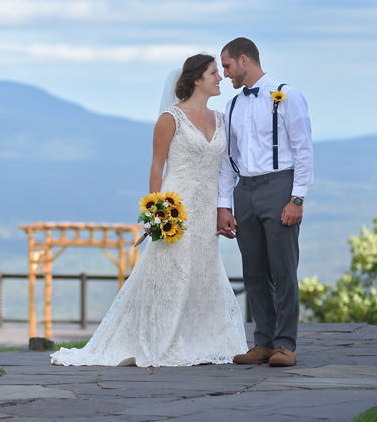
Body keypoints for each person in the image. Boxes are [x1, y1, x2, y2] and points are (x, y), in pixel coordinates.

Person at [50, 54, 247, 367]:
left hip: (207, 208)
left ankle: (202, 339)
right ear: (197, 79)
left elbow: (225, 168)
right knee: (172, 273)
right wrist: (158, 214)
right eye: (213, 73)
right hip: (177, 207)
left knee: (203, 271)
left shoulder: (221, 119)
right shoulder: (171, 119)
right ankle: (161, 338)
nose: (219, 78)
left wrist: (225, 207)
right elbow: (157, 167)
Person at [217, 37, 313, 368]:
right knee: (254, 270)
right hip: (245, 190)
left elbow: (303, 149)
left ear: (245, 60)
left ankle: (285, 344)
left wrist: (297, 197)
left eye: (227, 66)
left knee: (283, 269)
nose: (225, 74)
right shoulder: (231, 106)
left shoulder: (287, 95)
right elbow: (228, 160)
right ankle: (263, 341)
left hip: (279, 186)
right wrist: (224, 205)